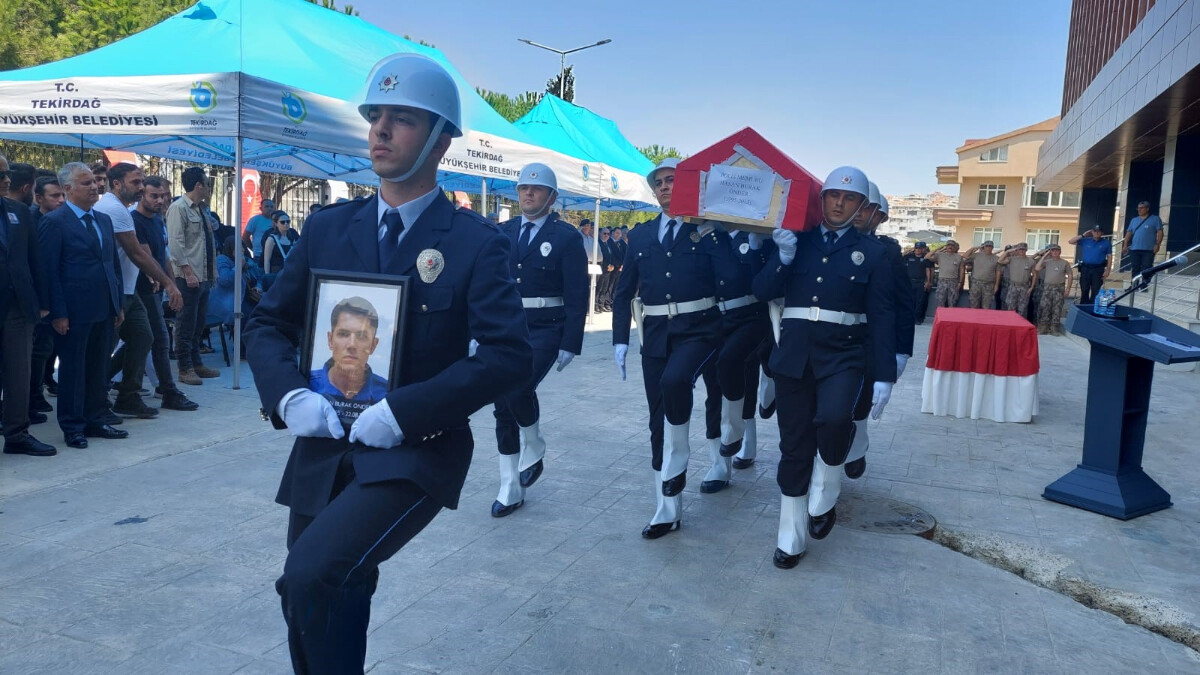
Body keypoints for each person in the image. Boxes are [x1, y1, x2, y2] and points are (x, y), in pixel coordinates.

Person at [244, 52, 530, 675]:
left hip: (414, 449)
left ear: (440, 137)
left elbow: (509, 355)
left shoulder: (475, 243)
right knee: (320, 593)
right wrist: (290, 396)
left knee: (312, 574)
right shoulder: (327, 228)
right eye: (376, 115)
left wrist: (403, 412)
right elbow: (268, 323)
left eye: (402, 118)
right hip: (325, 446)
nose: (380, 130)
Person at [753, 166, 896, 569]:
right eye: (834, 195)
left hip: (845, 355)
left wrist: (885, 373)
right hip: (795, 353)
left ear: (862, 206)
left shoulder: (874, 253)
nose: (839, 203)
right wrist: (781, 257)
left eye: (850, 198)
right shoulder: (796, 241)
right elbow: (763, 291)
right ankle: (790, 535)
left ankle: (828, 488)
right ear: (822, 198)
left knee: (834, 421)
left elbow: (882, 315)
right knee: (793, 444)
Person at [611, 158, 739, 539]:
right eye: (660, 182)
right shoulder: (642, 236)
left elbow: (731, 280)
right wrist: (620, 338)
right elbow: (623, 294)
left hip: (699, 330)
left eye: (673, 180)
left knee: (676, 380)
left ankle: (680, 460)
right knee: (657, 419)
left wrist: (717, 234)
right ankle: (667, 510)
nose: (666, 186)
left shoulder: (706, 232)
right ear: (654, 191)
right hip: (655, 334)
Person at [490, 163, 587, 517]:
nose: (528, 194)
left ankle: (533, 441)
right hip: (507, 327)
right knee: (501, 402)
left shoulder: (566, 237)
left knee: (518, 385)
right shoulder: (502, 232)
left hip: (547, 328)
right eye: (522, 189)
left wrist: (571, 341)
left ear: (552, 197)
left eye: (536, 189)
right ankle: (509, 485)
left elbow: (578, 291)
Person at [39, 163, 126, 449]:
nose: (94, 187)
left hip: (103, 307)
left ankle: (94, 418)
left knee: (98, 367)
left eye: (94, 182)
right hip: (74, 311)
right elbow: (49, 272)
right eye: (86, 183)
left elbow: (112, 264)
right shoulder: (55, 222)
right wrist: (58, 313)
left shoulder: (102, 220)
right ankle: (73, 426)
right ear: (68, 189)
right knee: (73, 371)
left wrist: (118, 304)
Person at [97, 163, 183, 419]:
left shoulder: (123, 210)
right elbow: (137, 253)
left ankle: (127, 396)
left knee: (143, 337)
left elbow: (156, 254)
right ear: (116, 183)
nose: (141, 187)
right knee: (104, 348)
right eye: (136, 182)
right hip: (117, 292)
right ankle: (96, 397)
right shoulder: (117, 210)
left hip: (127, 290)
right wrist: (168, 283)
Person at [844, 184, 913, 480]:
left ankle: (856, 447)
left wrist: (901, 351)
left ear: (880, 217)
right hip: (835, 334)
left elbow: (902, 303)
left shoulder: (888, 251)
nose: (861, 214)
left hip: (871, 339)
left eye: (870, 210)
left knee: (860, 401)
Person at [697, 224, 771, 494]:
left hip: (751, 317)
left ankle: (745, 441)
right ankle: (719, 463)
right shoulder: (705, 234)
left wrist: (757, 246)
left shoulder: (755, 233)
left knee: (744, 376)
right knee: (714, 388)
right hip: (715, 319)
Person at [124, 177, 197, 412]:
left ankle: (120, 387)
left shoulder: (158, 220)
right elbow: (146, 258)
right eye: (154, 195)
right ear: (142, 194)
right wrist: (169, 285)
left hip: (155, 291)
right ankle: (168, 391)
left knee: (145, 341)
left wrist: (173, 284)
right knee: (159, 340)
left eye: (164, 195)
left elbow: (163, 255)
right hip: (140, 290)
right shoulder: (134, 220)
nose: (161, 200)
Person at [0, 168, 55, 457]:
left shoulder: (18, 212)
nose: (7, 180)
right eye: (0, 175)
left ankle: (17, 434)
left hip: (18, 307)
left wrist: (42, 301)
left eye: (7, 173)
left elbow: (36, 259)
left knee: (19, 373)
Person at [166, 166, 221, 386]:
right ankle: (185, 367)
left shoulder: (201, 208)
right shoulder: (179, 208)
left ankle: (197, 363)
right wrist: (187, 271)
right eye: (207, 183)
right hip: (189, 276)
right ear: (198, 185)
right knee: (186, 323)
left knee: (199, 323)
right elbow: (176, 243)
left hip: (204, 275)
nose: (209, 187)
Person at [307, 296, 390, 408]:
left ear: (373, 345)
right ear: (330, 340)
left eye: (361, 336)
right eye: (343, 334)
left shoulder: (388, 395)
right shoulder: (304, 385)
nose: (351, 345)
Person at [1033, 244, 1073, 335]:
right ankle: (1043, 328)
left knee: (1057, 308)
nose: (1055, 252)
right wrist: (1046, 255)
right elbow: (1037, 268)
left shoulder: (1064, 263)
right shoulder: (1047, 261)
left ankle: (1054, 329)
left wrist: (1068, 289)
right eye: (1053, 250)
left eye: (1057, 250)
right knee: (1045, 307)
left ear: (1060, 252)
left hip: (1059, 288)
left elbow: (1070, 275)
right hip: (1047, 288)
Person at [1123, 201, 1163, 283]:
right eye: (1138, 208)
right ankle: (1134, 285)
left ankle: (1144, 285)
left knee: (1147, 267)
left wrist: (1157, 244)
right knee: (1135, 268)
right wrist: (1125, 245)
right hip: (1134, 249)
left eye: (1141, 208)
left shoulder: (1155, 219)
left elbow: (1160, 232)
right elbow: (1129, 233)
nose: (1139, 210)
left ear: (1147, 209)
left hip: (1148, 249)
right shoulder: (1134, 220)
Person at [1070, 227, 1112, 305]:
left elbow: (1109, 256)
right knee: (1084, 290)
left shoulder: (1106, 243)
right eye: (1095, 231)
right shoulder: (1086, 240)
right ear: (1092, 232)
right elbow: (1071, 241)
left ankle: (1092, 309)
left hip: (1098, 269)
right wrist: (1083, 235)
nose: (1096, 233)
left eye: (1099, 231)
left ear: (1102, 233)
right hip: (1085, 269)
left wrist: (1108, 270)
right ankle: (1083, 309)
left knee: (1095, 291)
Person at [997, 242, 1036, 315]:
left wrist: (1031, 287)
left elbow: (1034, 275)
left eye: (1023, 249)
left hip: (1024, 287)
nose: (1021, 251)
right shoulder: (1011, 259)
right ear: (1017, 250)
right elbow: (1000, 261)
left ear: (1026, 250)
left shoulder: (1031, 261)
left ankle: (1021, 325)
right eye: (1020, 249)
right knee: (1011, 308)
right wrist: (1008, 251)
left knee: (1022, 309)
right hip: (1013, 286)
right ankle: (1011, 325)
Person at [925, 240, 964, 308]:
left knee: (952, 302)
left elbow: (961, 270)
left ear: (955, 247)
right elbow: (927, 256)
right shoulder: (940, 255)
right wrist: (939, 247)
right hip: (942, 280)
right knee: (941, 301)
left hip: (953, 281)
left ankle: (950, 318)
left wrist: (960, 282)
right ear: (946, 246)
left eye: (952, 245)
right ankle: (941, 318)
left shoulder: (959, 257)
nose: (950, 247)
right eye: (948, 245)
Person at [902, 241, 933, 324]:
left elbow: (928, 270)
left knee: (919, 301)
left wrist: (928, 281)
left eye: (920, 248)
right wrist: (911, 249)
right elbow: (902, 255)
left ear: (923, 249)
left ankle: (917, 318)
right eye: (916, 248)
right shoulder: (909, 257)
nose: (918, 250)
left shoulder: (925, 258)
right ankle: (909, 317)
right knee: (909, 301)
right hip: (909, 282)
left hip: (920, 282)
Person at [962, 241, 999, 309]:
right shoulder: (976, 255)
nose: (988, 248)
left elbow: (998, 272)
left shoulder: (996, 258)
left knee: (986, 306)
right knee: (974, 305)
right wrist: (974, 247)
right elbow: (965, 256)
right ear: (984, 247)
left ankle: (984, 319)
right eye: (987, 246)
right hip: (976, 284)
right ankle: (973, 319)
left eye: (990, 246)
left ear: (992, 248)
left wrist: (996, 285)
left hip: (989, 285)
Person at [261, 210, 298, 276]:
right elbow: (266, 260)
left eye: (288, 221)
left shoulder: (292, 237)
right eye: (282, 222)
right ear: (276, 224)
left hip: (290, 271)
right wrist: (267, 275)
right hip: (276, 272)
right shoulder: (271, 239)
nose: (286, 224)